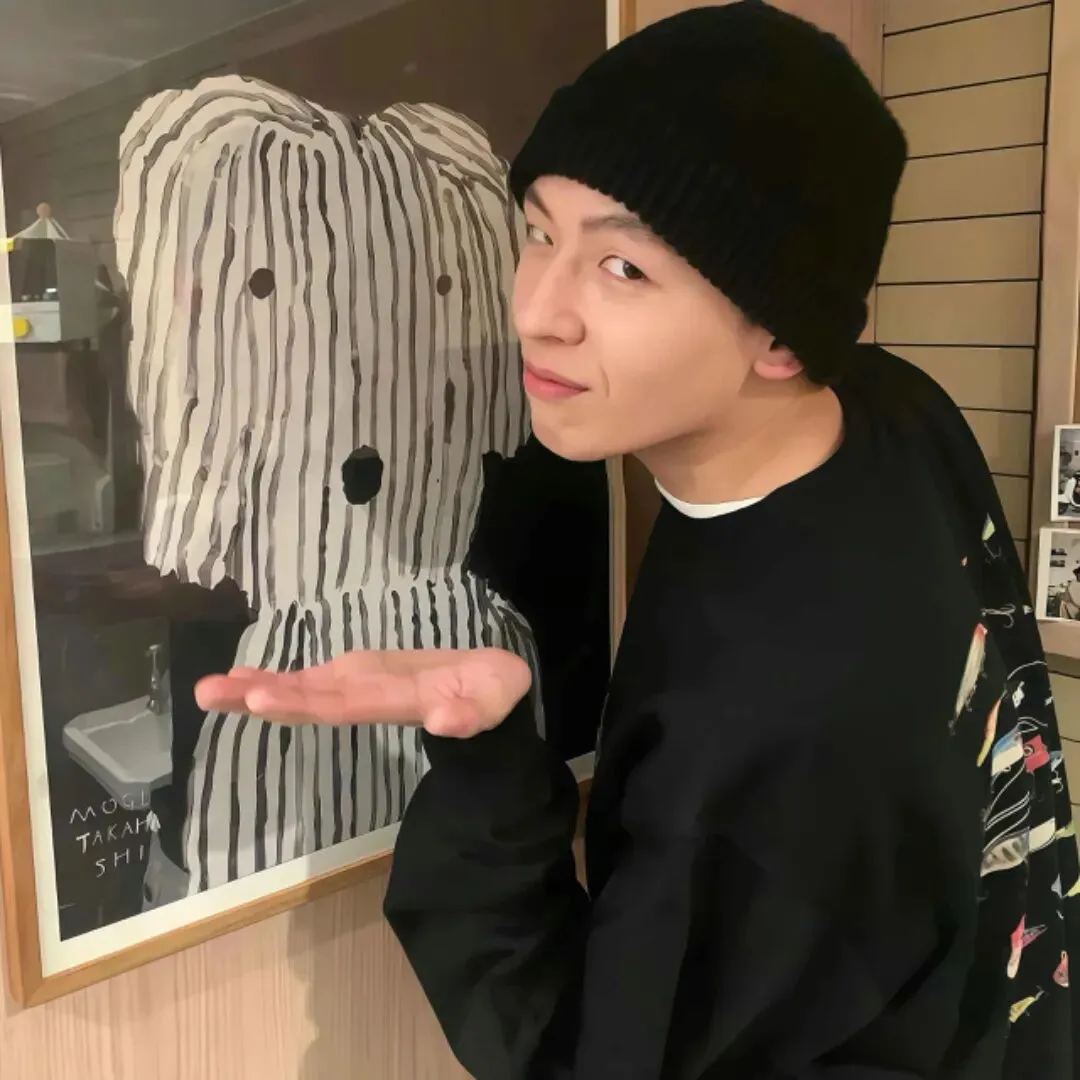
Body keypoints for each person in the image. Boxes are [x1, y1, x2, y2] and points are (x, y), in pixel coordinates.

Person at [195, 4, 1080, 1078]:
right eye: (539, 231)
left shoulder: (764, 743)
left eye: (624, 269)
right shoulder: (898, 409)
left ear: (780, 334)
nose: (537, 311)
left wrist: (488, 770)